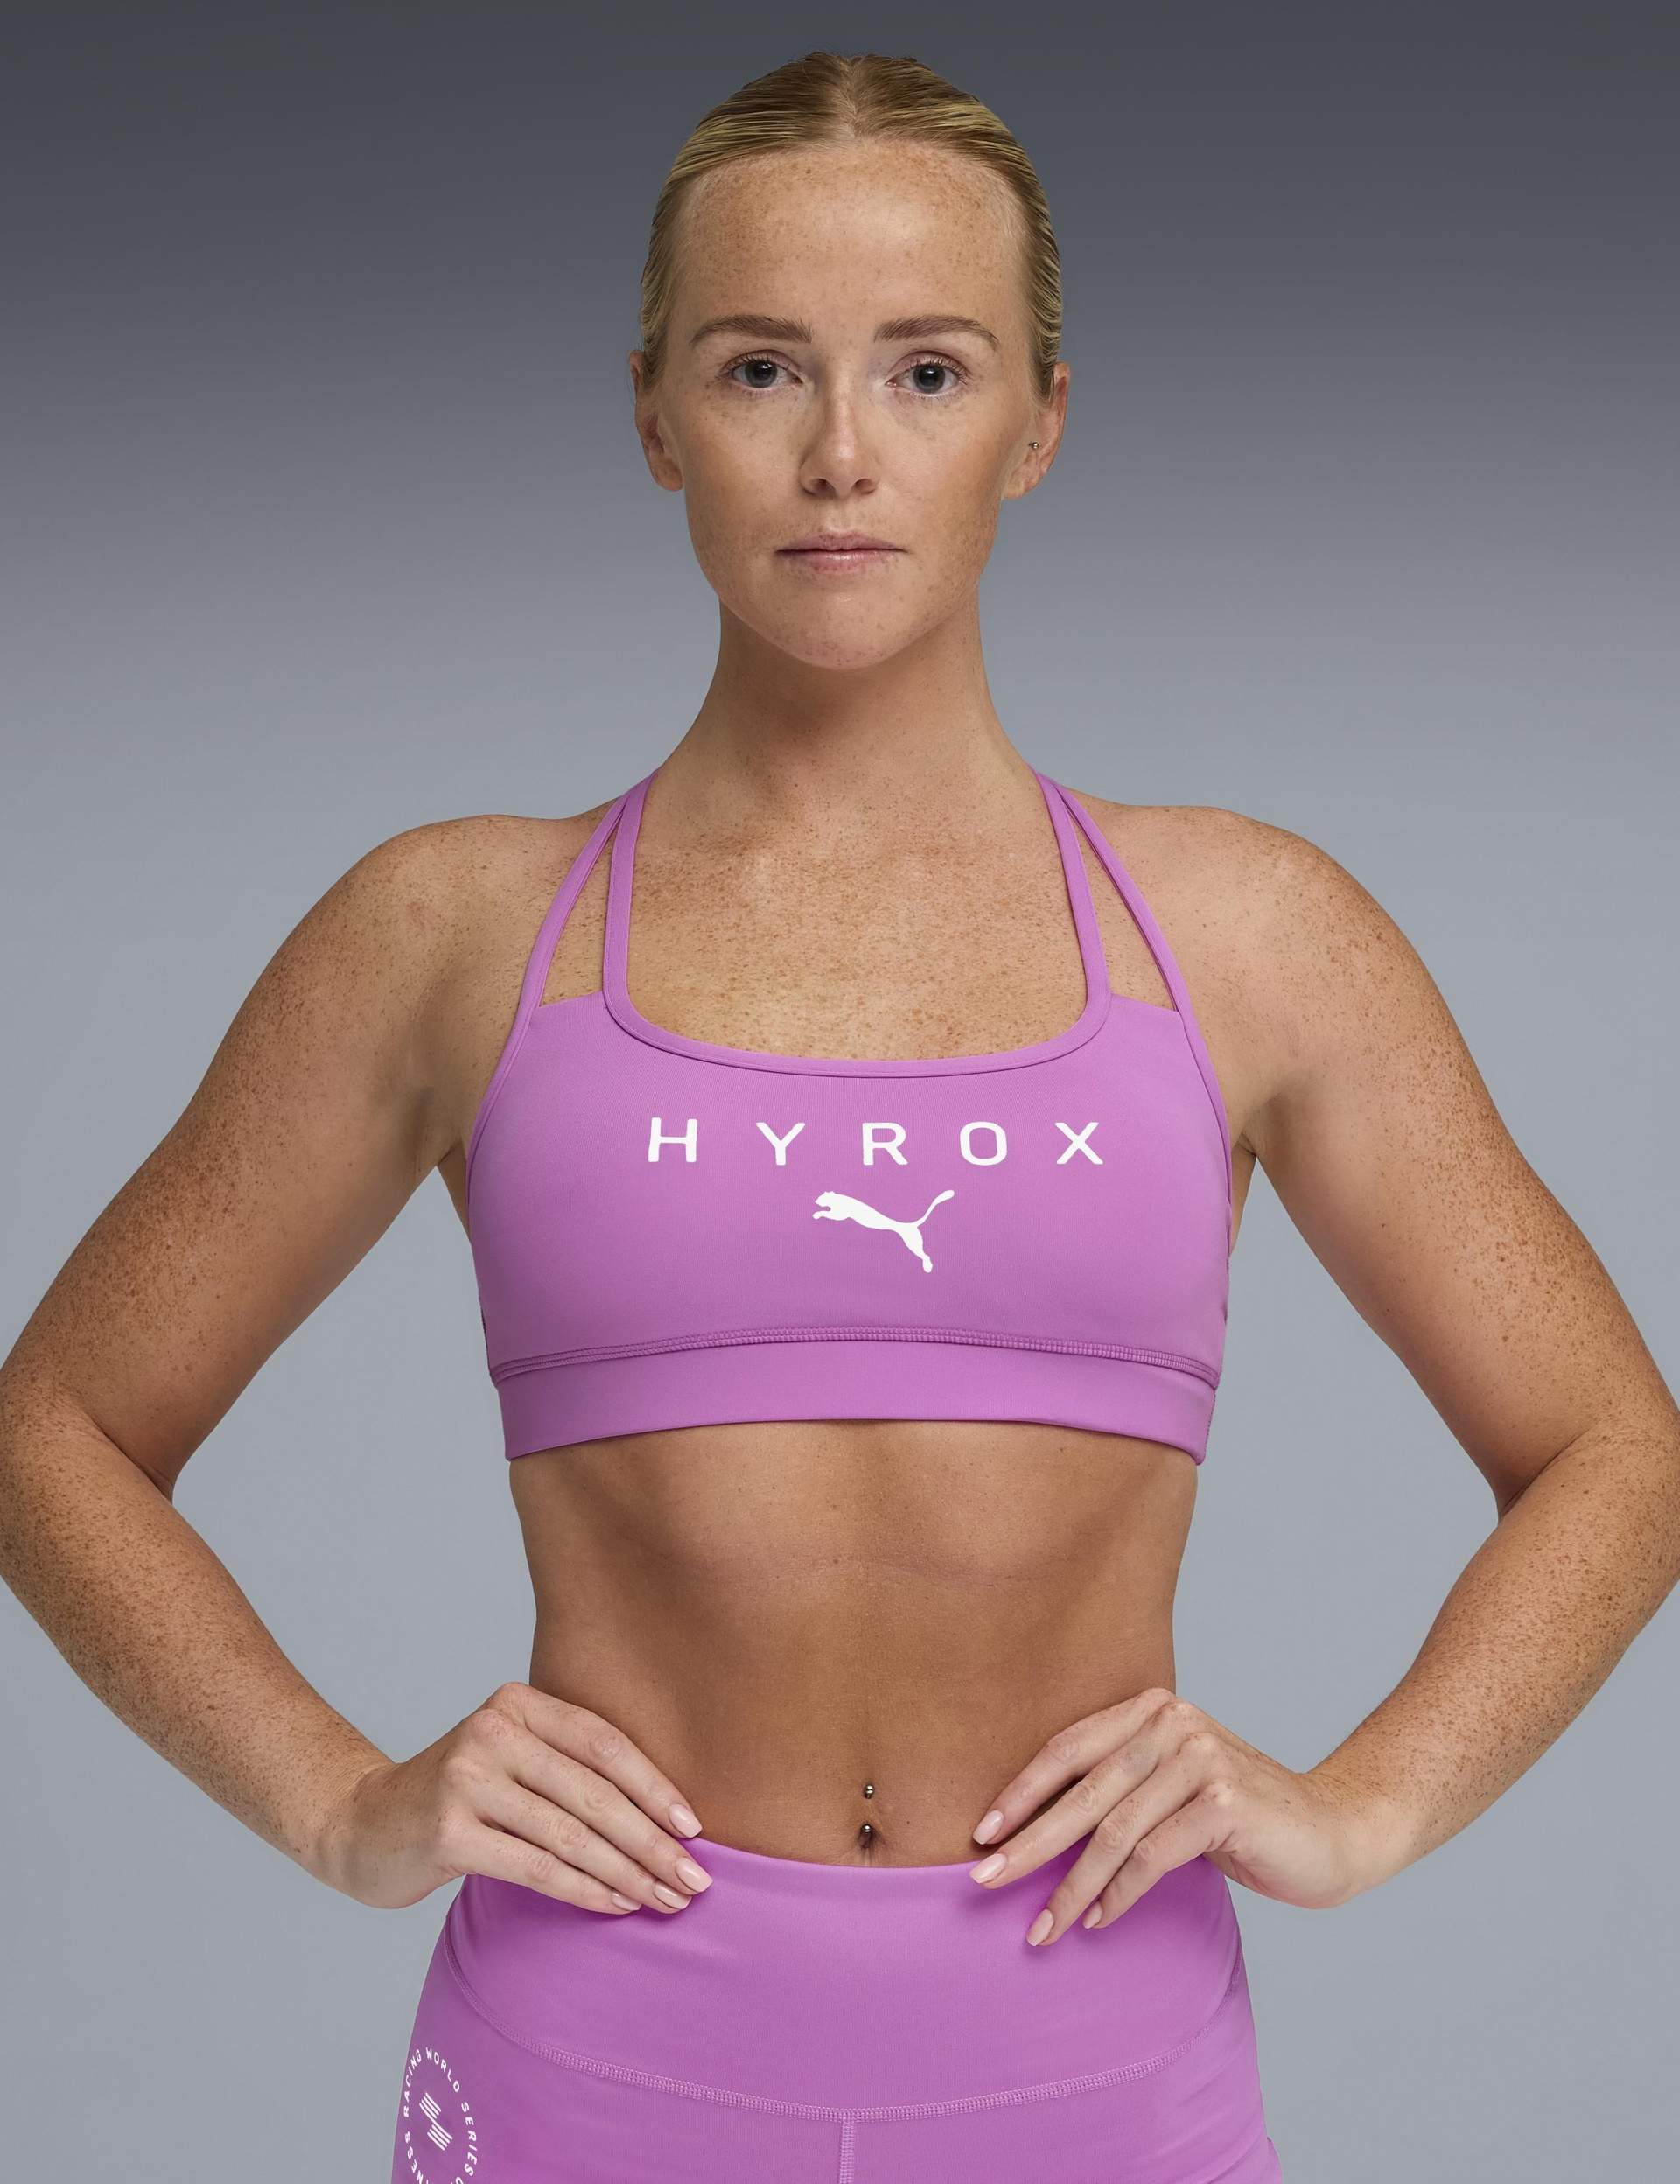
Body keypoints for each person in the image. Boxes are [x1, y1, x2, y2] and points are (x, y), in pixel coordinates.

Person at [4, 46, 1676, 2184]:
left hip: (1098, 2055)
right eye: (760, 368)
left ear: (1038, 423)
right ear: (654, 417)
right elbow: (55, 1428)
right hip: (590, 2054)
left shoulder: (1252, 935)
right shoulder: (454, 932)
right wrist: (338, 1802)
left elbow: (1614, 1451)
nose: (840, 455)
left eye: (928, 371)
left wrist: (1362, 1811)